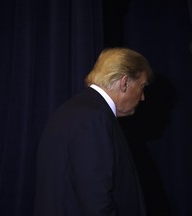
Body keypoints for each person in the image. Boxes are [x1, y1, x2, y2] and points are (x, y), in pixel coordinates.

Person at [33, 47, 154, 216]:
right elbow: (95, 198)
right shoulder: (93, 117)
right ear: (124, 83)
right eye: (142, 86)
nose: (142, 97)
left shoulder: (73, 110)